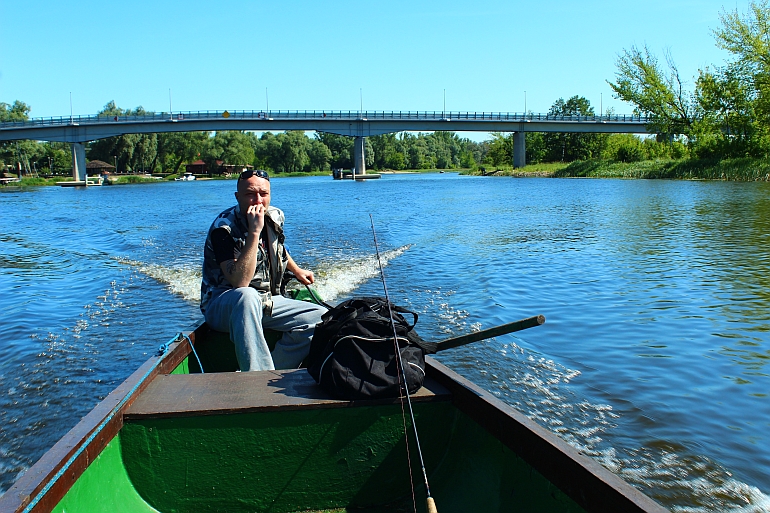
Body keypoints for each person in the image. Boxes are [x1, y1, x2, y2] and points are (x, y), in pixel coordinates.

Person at [200, 169, 326, 371]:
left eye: (263, 194)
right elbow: (239, 282)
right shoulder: (222, 229)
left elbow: (278, 248)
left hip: (265, 299)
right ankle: (256, 379)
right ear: (237, 196)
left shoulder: (275, 216)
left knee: (322, 319)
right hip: (223, 304)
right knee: (247, 295)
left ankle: (273, 372)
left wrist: (296, 270)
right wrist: (254, 232)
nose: (257, 200)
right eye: (250, 194)